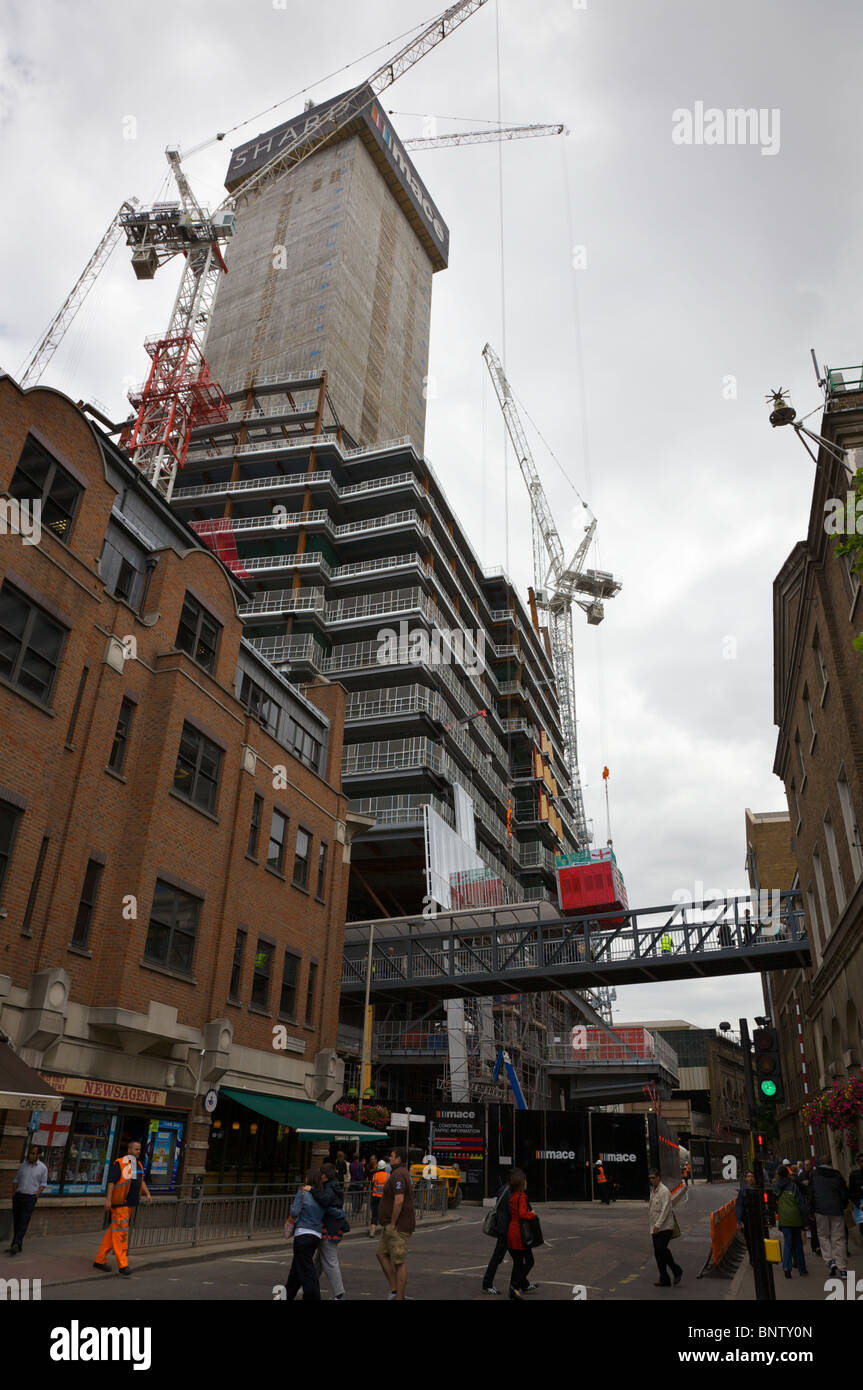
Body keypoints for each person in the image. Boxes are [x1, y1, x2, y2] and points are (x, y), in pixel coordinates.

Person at [93, 1138, 152, 1276]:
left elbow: (140, 1181)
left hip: (130, 1204)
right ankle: (123, 1265)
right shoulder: (119, 1164)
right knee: (121, 1235)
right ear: (129, 1150)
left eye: (139, 1149)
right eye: (136, 1149)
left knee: (113, 1233)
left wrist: (148, 1193)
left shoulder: (138, 1165)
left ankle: (99, 1260)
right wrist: (108, 1200)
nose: (138, 1151)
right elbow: (111, 1183)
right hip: (120, 1205)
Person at [376, 1148, 415, 1301]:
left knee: (399, 1261)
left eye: (391, 1156)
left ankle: (399, 1297)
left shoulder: (398, 1174)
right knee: (381, 1253)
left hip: (398, 1226)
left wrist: (393, 1222)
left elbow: (399, 1200)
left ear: (398, 1159)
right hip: (389, 1225)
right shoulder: (397, 1173)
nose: (389, 1159)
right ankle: (394, 1290)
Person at [810, 1152, 850, 1278]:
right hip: (836, 1209)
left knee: (823, 1236)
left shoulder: (814, 1175)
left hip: (820, 1209)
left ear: (819, 1163)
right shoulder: (837, 1175)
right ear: (830, 1163)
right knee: (838, 1238)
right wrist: (842, 1205)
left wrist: (811, 1209)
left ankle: (830, 1261)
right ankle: (842, 1267)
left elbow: (810, 1193)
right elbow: (844, 1192)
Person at [314, 1162, 348, 1301]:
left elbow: (325, 1201)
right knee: (319, 1262)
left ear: (324, 1175)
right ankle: (306, 1286)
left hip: (329, 1228)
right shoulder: (334, 1186)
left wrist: (312, 1190)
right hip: (333, 1226)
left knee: (329, 1261)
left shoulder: (328, 1188)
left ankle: (339, 1294)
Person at [7, 1143, 48, 1255]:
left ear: (38, 1155)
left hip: (30, 1197)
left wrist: (36, 1195)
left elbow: (43, 1184)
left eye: (33, 1153)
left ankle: (16, 1244)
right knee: (17, 1221)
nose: (31, 1155)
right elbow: (15, 1180)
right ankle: (16, 1244)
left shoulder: (42, 1168)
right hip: (19, 1196)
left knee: (24, 1221)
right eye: (30, 1153)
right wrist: (13, 1195)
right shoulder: (23, 1166)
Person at [505, 1169, 539, 1300]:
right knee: (529, 1261)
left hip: (512, 1231)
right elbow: (523, 1214)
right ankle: (514, 1287)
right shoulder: (522, 1197)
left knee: (518, 1262)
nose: (526, 1182)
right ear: (521, 1182)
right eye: (525, 1180)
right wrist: (533, 1214)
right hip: (520, 1234)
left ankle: (517, 1287)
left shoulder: (513, 1196)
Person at [772, 1160, 808, 1279]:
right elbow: (801, 1204)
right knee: (798, 1244)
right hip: (796, 1217)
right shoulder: (793, 1185)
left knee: (787, 1243)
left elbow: (773, 1200)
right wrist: (805, 1221)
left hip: (784, 1218)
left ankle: (786, 1267)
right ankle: (802, 1270)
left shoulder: (775, 1186)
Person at [648, 1167, 682, 1287]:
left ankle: (676, 1270)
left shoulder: (664, 1191)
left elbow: (666, 1210)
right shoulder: (653, 1190)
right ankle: (664, 1278)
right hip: (655, 1227)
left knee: (661, 1249)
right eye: (650, 1178)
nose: (651, 1180)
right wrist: (653, 1226)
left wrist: (658, 1224)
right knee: (658, 1253)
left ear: (658, 1178)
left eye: (653, 1178)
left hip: (665, 1226)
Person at [482, 1177, 512, 1295]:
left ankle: (523, 1282)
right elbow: (510, 1210)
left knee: (519, 1257)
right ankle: (487, 1284)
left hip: (504, 1228)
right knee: (497, 1258)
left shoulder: (503, 1188)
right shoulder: (509, 1191)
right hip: (505, 1230)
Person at [369, 1159, 388, 1237]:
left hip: (375, 1196)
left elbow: (374, 1183)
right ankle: (386, 1231)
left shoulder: (375, 1175)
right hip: (383, 1197)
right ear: (384, 1167)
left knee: (374, 1214)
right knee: (384, 1214)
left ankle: (372, 1232)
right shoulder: (388, 1175)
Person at [848, 1152, 863, 1251]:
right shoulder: (854, 1175)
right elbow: (851, 1193)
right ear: (858, 1163)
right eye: (862, 1161)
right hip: (860, 1204)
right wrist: (858, 1204)